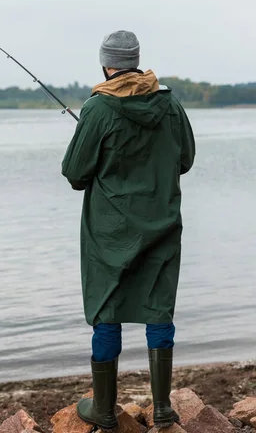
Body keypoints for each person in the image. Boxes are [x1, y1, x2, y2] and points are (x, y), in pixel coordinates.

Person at [62, 30, 195, 430]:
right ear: (136, 60)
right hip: (162, 224)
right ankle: (163, 409)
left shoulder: (98, 108)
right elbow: (185, 158)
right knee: (159, 310)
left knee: (107, 309)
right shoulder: (169, 103)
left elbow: (74, 173)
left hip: (110, 232)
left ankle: (103, 410)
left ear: (106, 64)